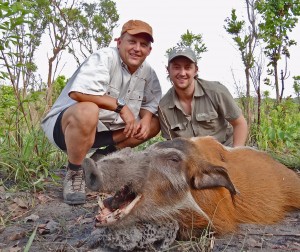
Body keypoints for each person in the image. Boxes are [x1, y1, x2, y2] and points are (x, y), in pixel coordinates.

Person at [41, 19, 162, 205]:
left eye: (143, 44)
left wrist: (145, 120)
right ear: (119, 42)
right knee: (87, 110)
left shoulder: (148, 72)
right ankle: (74, 173)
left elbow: (152, 104)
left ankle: (101, 159)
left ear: (149, 50)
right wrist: (120, 107)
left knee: (153, 123)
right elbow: (78, 93)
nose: (137, 48)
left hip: (107, 133)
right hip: (67, 130)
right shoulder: (105, 57)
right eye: (132, 41)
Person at [158, 47, 248, 147]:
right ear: (168, 70)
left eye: (187, 67)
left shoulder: (216, 92)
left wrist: (235, 156)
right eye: (176, 67)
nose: (182, 73)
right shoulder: (163, 106)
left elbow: (240, 124)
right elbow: (171, 143)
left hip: (225, 152)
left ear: (196, 70)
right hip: (191, 158)